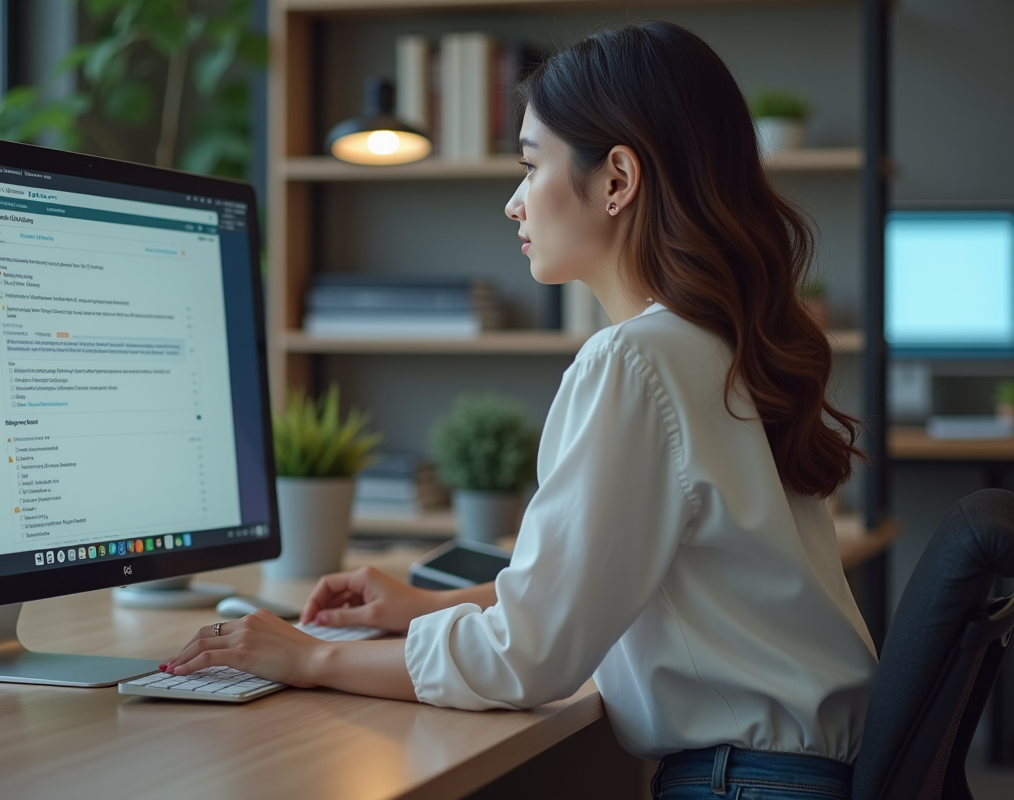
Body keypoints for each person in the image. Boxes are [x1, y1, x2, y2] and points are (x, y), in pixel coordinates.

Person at [164, 21, 877, 799]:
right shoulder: (718, 347)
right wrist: (428, 605)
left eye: (531, 167)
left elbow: (529, 657)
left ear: (616, 181)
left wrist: (308, 658)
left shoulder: (635, 361)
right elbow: (606, 586)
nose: (513, 204)